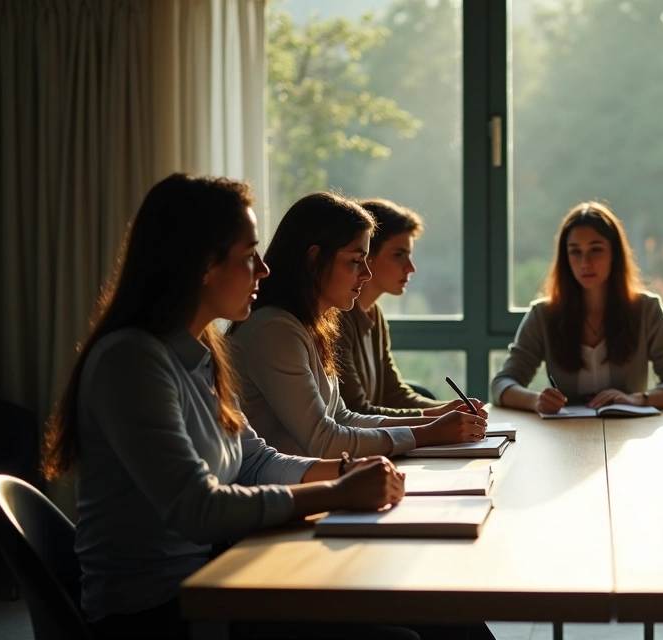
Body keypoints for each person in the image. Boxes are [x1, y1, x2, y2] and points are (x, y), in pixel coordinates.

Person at [40, 174, 407, 639]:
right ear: (203, 266)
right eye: (248, 255)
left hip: (217, 578)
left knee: (432, 619)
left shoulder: (203, 352)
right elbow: (198, 509)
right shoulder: (130, 361)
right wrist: (337, 493)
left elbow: (254, 460)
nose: (264, 269)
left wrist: (344, 472)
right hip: (157, 612)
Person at [229, 192, 485, 458]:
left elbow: (343, 416)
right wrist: (429, 432)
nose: (367, 274)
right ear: (314, 259)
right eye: (355, 261)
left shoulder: (312, 324)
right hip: (283, 490)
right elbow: (323, 441)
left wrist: (433, 422)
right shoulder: (275, 330)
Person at [490, 201, 663, 413]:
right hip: (565, 436)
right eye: (575, 252)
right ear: (565, 258)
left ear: (614, 253)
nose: (585, 262)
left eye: (596, 250)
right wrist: (535, 400)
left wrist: (637, 399)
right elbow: (502, 384)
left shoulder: (646, 310)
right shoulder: (543, 315)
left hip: (628, 434)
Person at [336, 198, 484, 418]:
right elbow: (356, 411)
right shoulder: (338, 320)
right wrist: (436, 417)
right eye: (398, 255)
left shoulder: (374, 314)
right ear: (367, 255)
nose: (410, 267)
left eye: (409, 255)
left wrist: (450, 409)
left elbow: (393, 394)